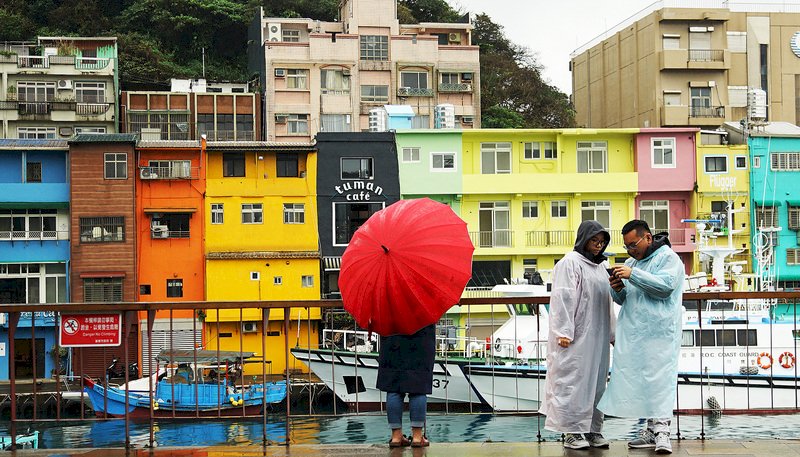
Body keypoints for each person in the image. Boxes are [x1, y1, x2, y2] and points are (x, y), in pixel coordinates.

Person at [597, 220, 685, 454]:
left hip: (660, 332)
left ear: (647, 238)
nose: (630, 250)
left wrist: (632, 275)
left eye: (633, 244)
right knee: (642, 382)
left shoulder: (669, 258)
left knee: (660, 381)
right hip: (635, 332)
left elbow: (665, 287)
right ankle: (649, 430)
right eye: (626, 246)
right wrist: (616, 287)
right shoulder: (630, 263)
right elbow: (624, 298)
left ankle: (663, 432)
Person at [539, 220, 615, 450]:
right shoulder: (569, 263)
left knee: (597, 384)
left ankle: (593, 430)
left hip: (598, 336)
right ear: (584, 239)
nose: (598, 246)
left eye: (602, 242)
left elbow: (608, 301)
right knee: (573, 382)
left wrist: (612, 332)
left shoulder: (602, 266)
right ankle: (571, 431)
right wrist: (563, 331)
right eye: (594, 240)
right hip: (575, 337)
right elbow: (563, 298)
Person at [376, 323, 436, 448]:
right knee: (419, 389)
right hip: (421, 338)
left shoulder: (387, 302)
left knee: (393, 389)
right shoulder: (426, 302)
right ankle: (417, 437)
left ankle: (396, 437)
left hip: (392, 338)